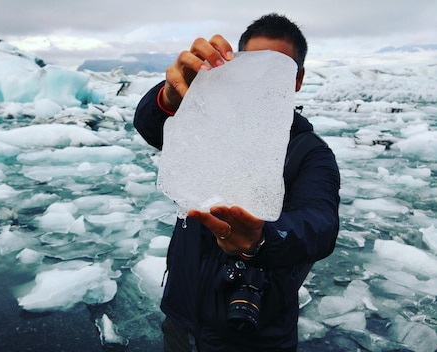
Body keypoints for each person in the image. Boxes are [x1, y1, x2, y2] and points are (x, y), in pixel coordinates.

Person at [134, 13, 340, 352]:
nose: (262, 81)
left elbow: (320, 226)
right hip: (181, 317)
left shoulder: (310, 153)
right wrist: (170, 98)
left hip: (255, 338)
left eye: (276, 70)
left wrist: (260, 239)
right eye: (254, 66)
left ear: (297, 79)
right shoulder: (212, 128)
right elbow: (152, 128)